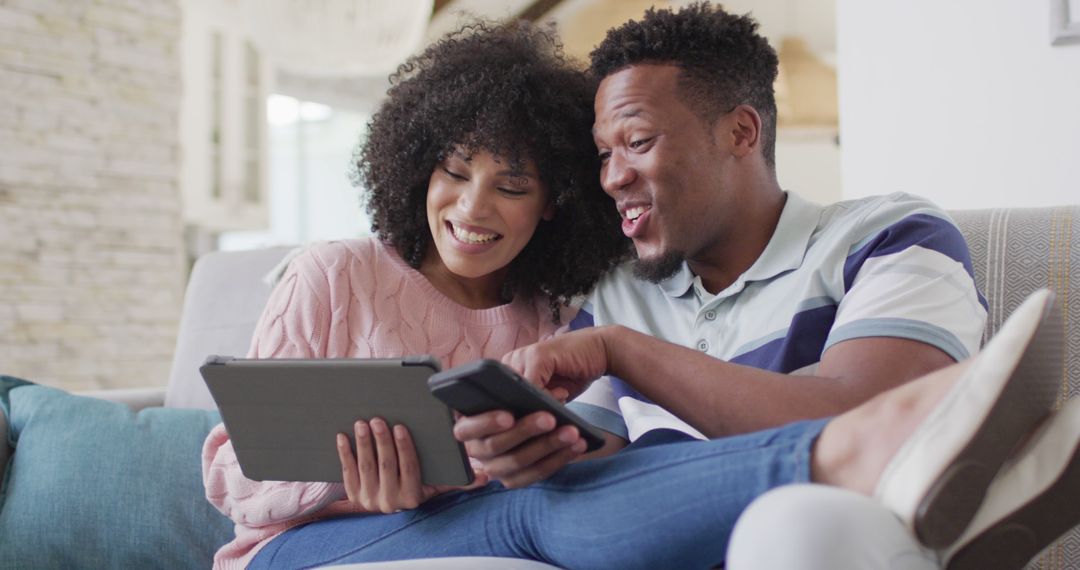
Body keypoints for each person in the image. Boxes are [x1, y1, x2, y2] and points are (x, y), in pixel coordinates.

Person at [233, 8, 1080, 570]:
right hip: (336, 541)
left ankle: (883, 470)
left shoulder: (884, 236)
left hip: (716, 535)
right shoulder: (619, 294)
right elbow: (593, 466)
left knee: (791, 528)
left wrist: (594, 389)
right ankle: (878, 464)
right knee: (547, 514)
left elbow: (857, 397)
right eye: (601, 154)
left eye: (634, 142)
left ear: (742, 131)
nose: (613, 179)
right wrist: (529, 456)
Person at [201, 21, 629, 569]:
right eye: (454, 170)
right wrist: (343, 481)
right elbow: (228, 472)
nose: (472, 207)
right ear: (421, 166)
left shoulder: (557, 329)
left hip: (469, 547)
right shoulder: (333, 274)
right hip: (293, 552)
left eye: (511, 186)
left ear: (553, 201)